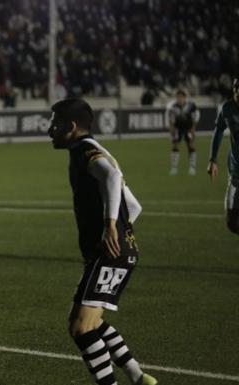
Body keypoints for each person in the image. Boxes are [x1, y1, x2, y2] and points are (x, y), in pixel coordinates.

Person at [48, 98, 158, 385]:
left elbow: (111, 176)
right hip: (118, 252)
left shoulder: (85, 151)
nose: (50, 130)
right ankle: (137, 375)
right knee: (89, 322)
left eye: (56, 124)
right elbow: (133, 206)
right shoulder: (96, 149)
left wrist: (110, 227)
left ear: (72, 127)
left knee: (81, 328)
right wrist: (121, 235)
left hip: (110, 254)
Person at [207, 77, 239, 235]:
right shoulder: (227, 108)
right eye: (237, 88)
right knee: (231, 223)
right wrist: (213, 159)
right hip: (236, 169)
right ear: (234, 89)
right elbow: (219, 130)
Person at [165, 89, 200, 175]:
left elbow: (196, 117)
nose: (180, 99)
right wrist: (172, 130)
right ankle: (174, 168)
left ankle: (192, 167)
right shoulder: (173, 107)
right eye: (178, 97)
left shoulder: (191, 106)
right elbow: (171, 120)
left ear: (184, 97)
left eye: (181, 97)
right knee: (175, 146)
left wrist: (193, 129)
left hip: (188, 129)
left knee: (191, 146)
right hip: (178, 129)